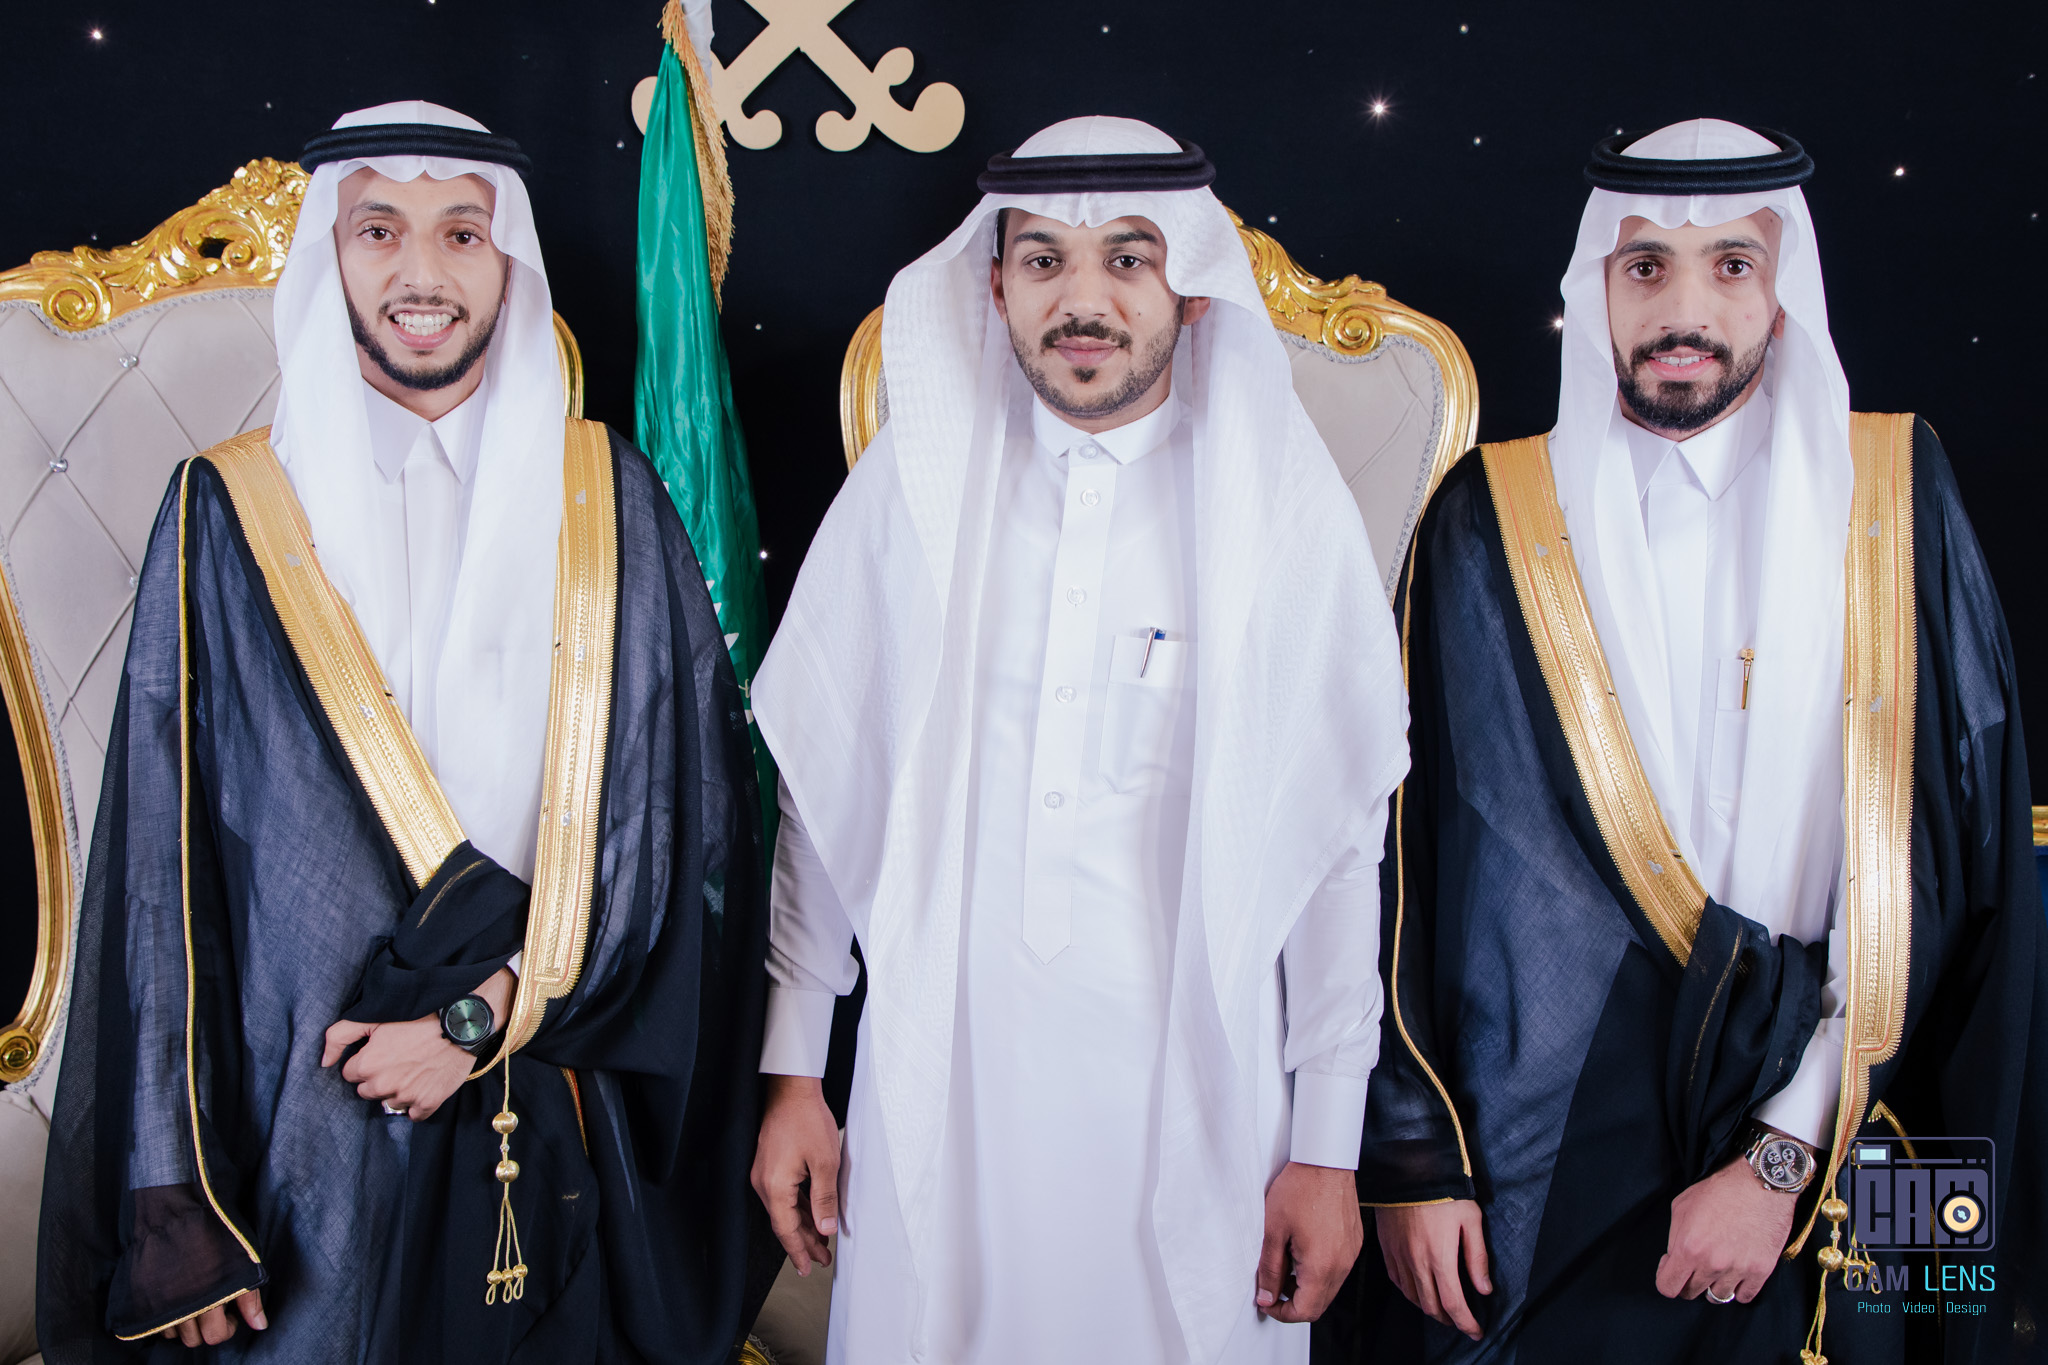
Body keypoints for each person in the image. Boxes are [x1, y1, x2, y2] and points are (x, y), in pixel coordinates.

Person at [36, 102, 767, 1364]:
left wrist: (477, 1022)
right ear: (330, 254)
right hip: (295, 1136)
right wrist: (176, 1198)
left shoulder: (607, 500)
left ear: (508, 260)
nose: (421, 272)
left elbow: (673, 835)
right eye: (379, 230)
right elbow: (162, 872)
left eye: (461, 233)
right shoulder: (229, 509)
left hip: (552, 1090)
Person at [1344, 119, 2047, 1363]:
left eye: (1730, 265)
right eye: (1644, 267)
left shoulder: (1892, 493)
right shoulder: (1490, 518)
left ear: (1782, 292)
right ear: (1595, 289)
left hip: (1834, 1131)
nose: (1684, 310)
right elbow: (1400, 858)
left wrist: (1782, 1154)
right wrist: (1414, 1160)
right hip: (1552, 1151)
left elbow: (1949, 859)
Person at [747, 117, 1409, 1364]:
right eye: (1044, 260)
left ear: (1190, 287)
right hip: (942, 1090)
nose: (1083, 300)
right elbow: (825, 796)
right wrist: (794, 1074)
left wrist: (1328, 1143)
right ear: (993, 286)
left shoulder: (1274, 507)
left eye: (1128, 258)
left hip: (1200, 1106)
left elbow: (1333, 846)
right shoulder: (915, 487)